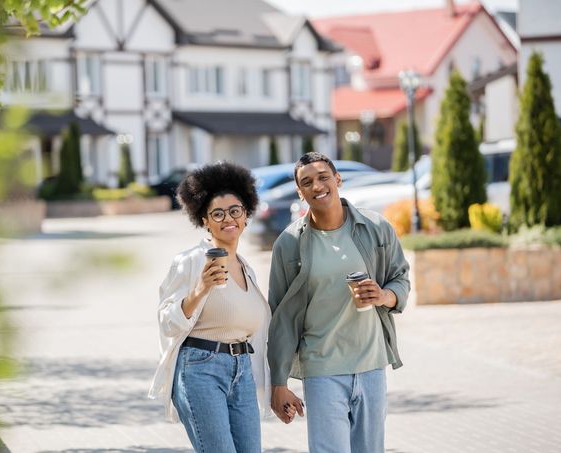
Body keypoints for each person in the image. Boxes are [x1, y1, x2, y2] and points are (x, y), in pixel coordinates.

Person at [267, 152, 410, 452]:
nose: (317, 186)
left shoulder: (375, 228)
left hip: (371, 366)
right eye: (307, 182)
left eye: (323, 177)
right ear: (300, 192)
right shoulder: (290, 243)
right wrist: (278, 383)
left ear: (338, 179)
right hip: (322, 370)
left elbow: (400, 277)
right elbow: (279, 318)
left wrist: (385, 296)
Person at [148, 161, 271, 453]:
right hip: (201, 369)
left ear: (246, 215)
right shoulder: (190, 261)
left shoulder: (246, 267)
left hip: (241, 370)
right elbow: (167, 321)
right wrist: (200, 289)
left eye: (235, 210)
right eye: (217, 213)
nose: (228, 218)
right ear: (204, 220)